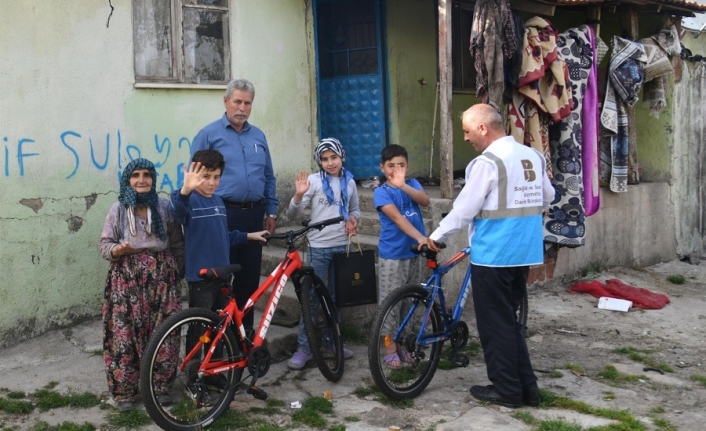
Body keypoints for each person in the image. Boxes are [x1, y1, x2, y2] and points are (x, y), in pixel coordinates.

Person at [424, 104, 554, 408]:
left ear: (483, 128)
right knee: (509, 321)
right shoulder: (532, 155)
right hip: (525, 253)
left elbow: (464, 210)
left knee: (495, 326)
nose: (467, 138)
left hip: (495, 254)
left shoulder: (488, 162)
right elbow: (548, 197)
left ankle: (507, 391)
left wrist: (435, 236)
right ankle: (527, 389)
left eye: (468, 131)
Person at [190, 78, 279, 332]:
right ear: (226, 101)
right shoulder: (209, 134)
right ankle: (218, 339)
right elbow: (194, 176)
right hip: (222, 214)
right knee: (219, 281)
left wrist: (271, 209)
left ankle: (244, 335)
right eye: (237, 101)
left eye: (247, 103)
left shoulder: (259, 136)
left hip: (254, 215)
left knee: (248, 281)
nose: (242, 107)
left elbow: (269, 176)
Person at [99, 158, 185, 412]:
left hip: (163, 279)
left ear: (153, 179)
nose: (141, 180)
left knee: (165, 332)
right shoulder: (118, 209)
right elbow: (104, 245)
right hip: (126, 280)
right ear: (128, 180)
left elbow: (178, 243)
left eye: (146, 175)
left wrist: (175, 274)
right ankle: (125, 391)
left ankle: (160, 387)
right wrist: (119, 249)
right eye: (135, 175)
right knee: (123, 335)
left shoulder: (164, 207)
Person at [286, 138, 360, 370]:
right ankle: (304, 348)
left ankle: (332, 343)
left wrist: (353, 219)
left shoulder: (350, 182)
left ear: (341, 157)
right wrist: (298, 196)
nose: (330, 163)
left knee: (337, 299)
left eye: (334, 158)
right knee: (311, 299)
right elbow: (292, 215)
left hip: (342, 249)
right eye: (325, 159)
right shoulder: (313, 182)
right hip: (317, 248)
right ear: (319, 161)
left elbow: (354, 209)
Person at [168, 149, 269, 317]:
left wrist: (248, 236)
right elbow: (176, 212)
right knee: (200, 329)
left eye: (216, 177)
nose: (211, 183)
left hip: (222, 274)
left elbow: (223, 235)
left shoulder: (219, 201)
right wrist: (185, 190)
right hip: (202, 279)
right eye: (205, 177)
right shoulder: (188, 199)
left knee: (221, 328)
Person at [373, 144, 430, 368]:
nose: (396, 169)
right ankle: (389, 347)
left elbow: (425, 201)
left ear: (408, 166)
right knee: (390, 305)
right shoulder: (381, 192)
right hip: (394, 256)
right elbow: (398, 219)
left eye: (401, 165)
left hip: (414, 255)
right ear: (382, 167)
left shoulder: (412, 184)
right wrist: (421, 238)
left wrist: (404, 185)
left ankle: (404, 345)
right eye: (391, 166)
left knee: (410, 302)